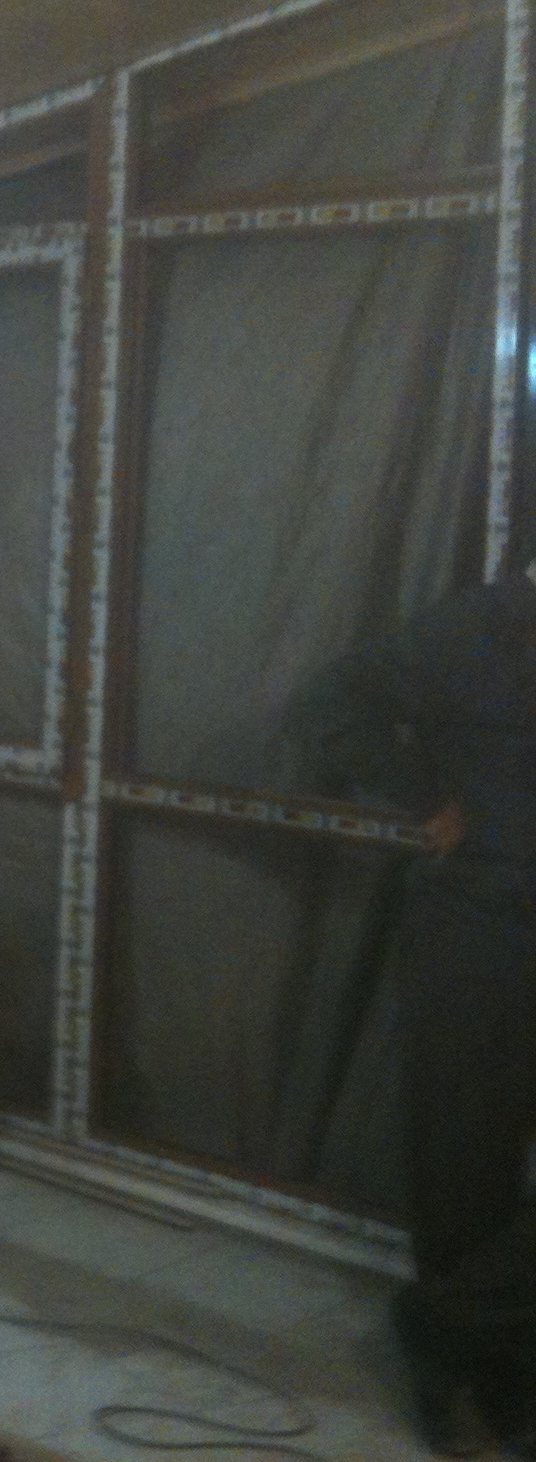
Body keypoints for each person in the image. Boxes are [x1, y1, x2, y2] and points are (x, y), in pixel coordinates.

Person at [291, 559, 536, 1457]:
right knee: (461, 1164)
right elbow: (330, 704)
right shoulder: (472, 626)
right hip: (476, 931)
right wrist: (427, 796)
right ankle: (470, 1388)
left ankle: (444, 1322)